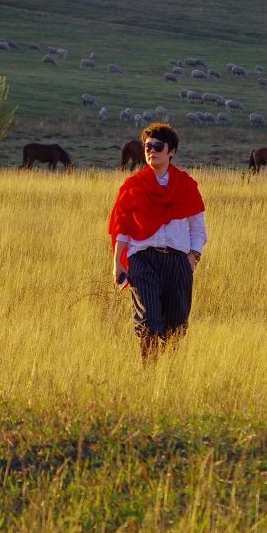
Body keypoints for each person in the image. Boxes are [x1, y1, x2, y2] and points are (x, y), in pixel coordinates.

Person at [108, 123, 208, 366]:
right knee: (148, 320)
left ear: (171, 151)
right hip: (142, 258)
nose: (151, 151)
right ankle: (148, 374)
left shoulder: (186, 185)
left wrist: (193, 257)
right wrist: (118, 263)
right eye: (147, 146)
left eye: (157, 146)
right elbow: (122, 227)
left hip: (178, 261)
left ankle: (169, 376)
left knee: (176, 325)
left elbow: (198, 227)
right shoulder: (133, 186)